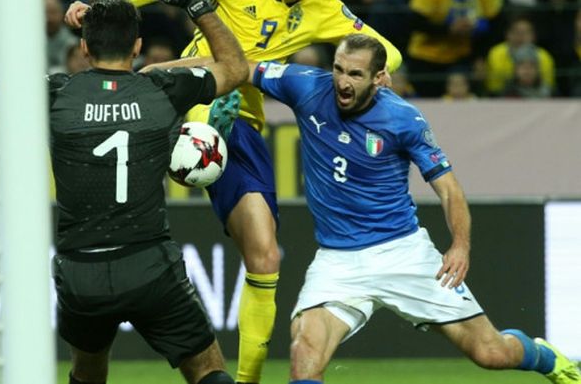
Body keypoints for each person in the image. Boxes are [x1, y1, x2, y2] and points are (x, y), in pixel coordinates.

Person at [65, 0, 403, 382]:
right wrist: (102, 10)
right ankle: (192, 140)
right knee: (161, 124)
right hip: (190, 92)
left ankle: (248, 380)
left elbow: (389, 50)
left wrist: (379, 69)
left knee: (265, 257)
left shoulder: (323, 7)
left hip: (242, 117)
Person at [0, 0, 249, 384]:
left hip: (81, 271)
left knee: (87, 371)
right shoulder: (163, 89)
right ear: (139, 46)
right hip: (150, 266)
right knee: (207, 370)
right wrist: (195, 0)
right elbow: (235, 66)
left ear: (84, 48)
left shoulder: (52, 94)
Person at [249, 33, 581, 384]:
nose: (343, 82)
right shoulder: (306, 87)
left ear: (379, 78)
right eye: (338, 70)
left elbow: (449, 190)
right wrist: (186, 72)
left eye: (356, 74)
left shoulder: (403, 119)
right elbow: (239, 68)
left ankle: (545, 357)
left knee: (491, 353)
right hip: (337, 262)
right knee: (304, 351)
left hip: (403, 253)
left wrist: (460, 245)